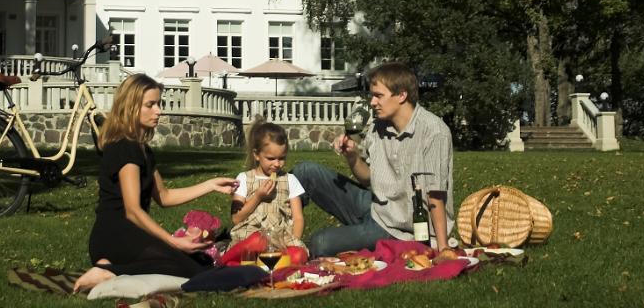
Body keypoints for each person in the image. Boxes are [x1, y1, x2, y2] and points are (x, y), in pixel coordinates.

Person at [74, 75, 237, 293]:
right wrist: (173, 242)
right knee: (198, 275)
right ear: (130, 107)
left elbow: (164, 196)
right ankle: (109, 270)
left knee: (201, 264)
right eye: (150, 105)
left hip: (132, 235)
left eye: (158, 103)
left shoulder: (142, 149)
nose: (158, 110)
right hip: (115, 236)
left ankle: (110, 267)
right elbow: (132, 211)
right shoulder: (126, 147)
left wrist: (210, 185)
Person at [292, 62, 454, 256]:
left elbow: (435, 195)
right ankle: (276, 236)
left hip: (399, 229)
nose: (372, 102)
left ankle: (295, 249)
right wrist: (352, 157)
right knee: (304, 171)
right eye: (372, 96)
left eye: (378, 96)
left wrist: (442, 247)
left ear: (402, 95)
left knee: (320, 243)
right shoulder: (379, 127)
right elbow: (368, 178)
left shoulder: (434, 132)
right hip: (376, 206)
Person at [227, 118, 306, 253]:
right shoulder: (244, 178)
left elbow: (298, 217)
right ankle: (229, 258)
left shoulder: (290, 180)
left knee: (299, 254)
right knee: (255, 243)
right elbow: (236, 218)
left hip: (281, 237)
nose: (277, 164)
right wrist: (258, 196)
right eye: (271, 158)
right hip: (251, 235)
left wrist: (294, 242)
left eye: (281, 158)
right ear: (256, 155)